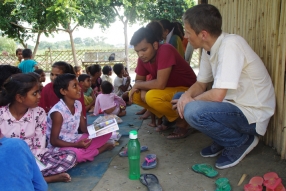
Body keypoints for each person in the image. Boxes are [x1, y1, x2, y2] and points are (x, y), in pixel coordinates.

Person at [173, 4, 275, 169]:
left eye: (188, 32)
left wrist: (190, 102)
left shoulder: (231, 44)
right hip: (233, 108)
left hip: (252, 114)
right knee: (179, 98)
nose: (185, 36)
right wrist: (186, 96)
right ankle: (224, 139)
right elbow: (201, 83)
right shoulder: (209, 48)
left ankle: (239, 141)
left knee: (192, 110)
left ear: (203, 34)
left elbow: (217, 95)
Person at [0, 73, 77, 183]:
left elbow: (39, 144)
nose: (39, 96)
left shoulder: (39, 113)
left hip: (34, 159)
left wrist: (30, 162)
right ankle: (43, 179)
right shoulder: (2, 115)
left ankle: (27, 178)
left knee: (70, 156)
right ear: (19, 98)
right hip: (9, 160)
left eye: (39, 92)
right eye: (35, 93)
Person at [129, 27, 197, 139]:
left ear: (155, 45)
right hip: (169, 90)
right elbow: (139, 80)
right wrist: (142, 88)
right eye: (137, 51)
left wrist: (140, 85)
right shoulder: (143, 58)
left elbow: (160, 84)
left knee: (151, 97)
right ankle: (171, 118)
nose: (140, 54)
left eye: (144, 50)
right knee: (135, 95)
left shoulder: (165, 50)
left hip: (188, 89)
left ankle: (183, 121)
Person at [46, 74, 114, 163]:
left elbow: (83, 128)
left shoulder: (77, 104)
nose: (79, 88)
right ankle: (100, 149)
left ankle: (85, 151)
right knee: (78, 154)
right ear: (63, 91)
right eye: (75, 86)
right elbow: (54, 141)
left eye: (78, 84)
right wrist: (77, 145)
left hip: (76, 138)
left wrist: (102, 127)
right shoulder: (58, 113)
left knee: (109, 128)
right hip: (60, 146)